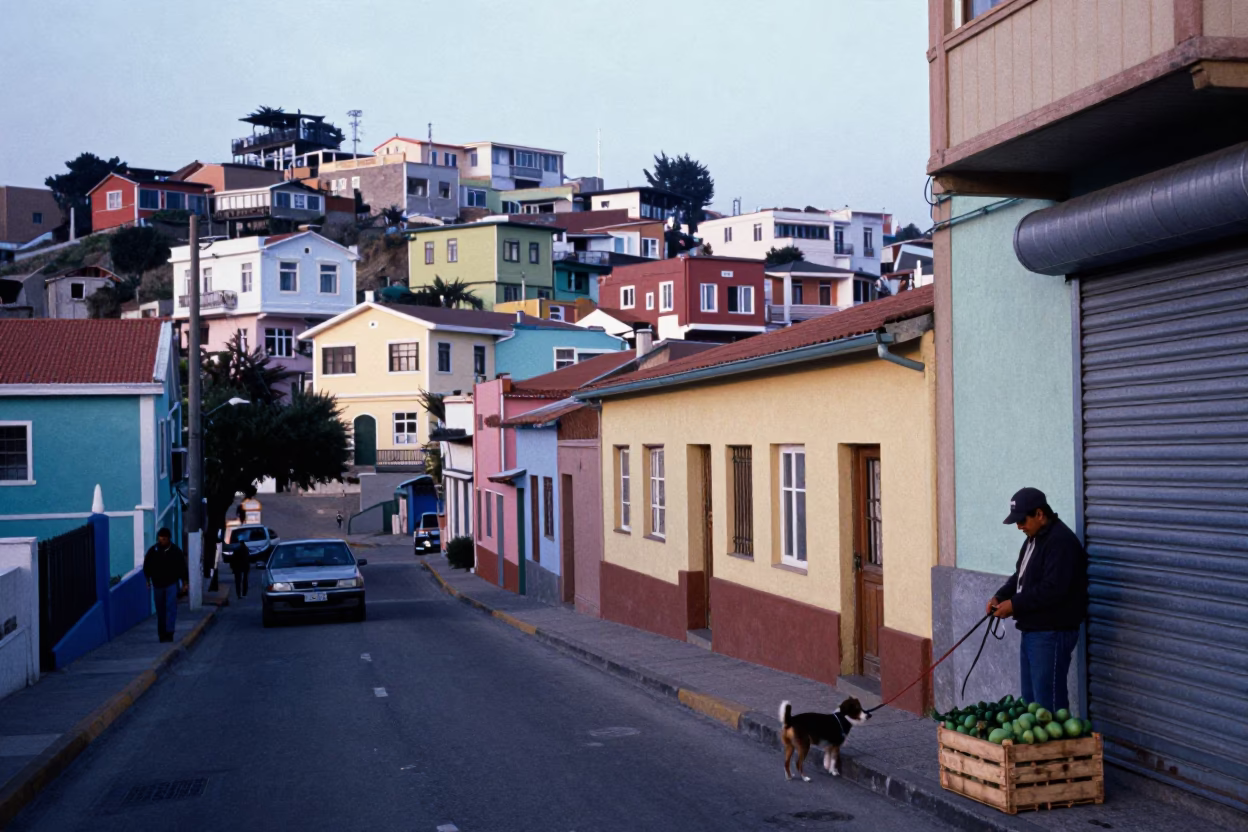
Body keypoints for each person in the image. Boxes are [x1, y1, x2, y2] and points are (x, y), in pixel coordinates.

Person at [986, 487, 1088, 713]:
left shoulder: (1060, 542)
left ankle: (1056, 749)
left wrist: (1014, 605)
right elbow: (1020, 576)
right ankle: (1036, 749)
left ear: (1040, 514)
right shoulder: (1033, 538)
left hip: (1051, 632)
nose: (1019, 526)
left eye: (1022, 520)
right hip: (1033, 631)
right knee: (1032, 705)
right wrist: (1001, 596)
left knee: (1048, 706)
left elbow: (1053, 590)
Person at [144, 528, 188, 643]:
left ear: (168, 539)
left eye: (164, 538)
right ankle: (162, 633)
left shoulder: (175, 551)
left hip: (171, 584)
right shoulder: (153, 551)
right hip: (157, 585)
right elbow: (147, 566)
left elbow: (182, 567)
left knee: (171, 608)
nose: (162, 540)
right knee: (160, 610)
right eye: (160, 538)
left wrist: (185, 582)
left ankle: (170, 632)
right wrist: (148, 580)